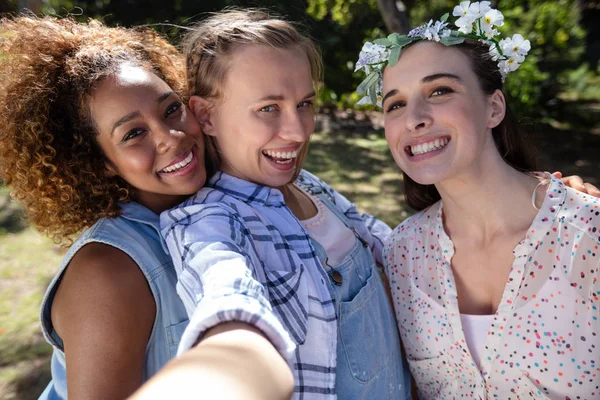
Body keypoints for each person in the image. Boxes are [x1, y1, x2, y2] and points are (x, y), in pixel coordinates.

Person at [151, 9, 411, 400]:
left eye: (304, 103)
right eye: (268, 108)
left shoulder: (309, 186)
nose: (298, 130)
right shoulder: (207, 220)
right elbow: (228, 296)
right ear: (206, 115)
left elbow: (391, 245)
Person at [354, 2, 600, 398]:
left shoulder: (589, 235)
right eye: (395, 103)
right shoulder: (402, 254)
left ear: (494, 106)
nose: (414, 117)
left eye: (440, 90)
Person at [0, 16, 213, 399]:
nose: (171, 137)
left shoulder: (220, 203)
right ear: (99, 161)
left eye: (170, 109)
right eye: (133, 134)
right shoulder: (108, 272)